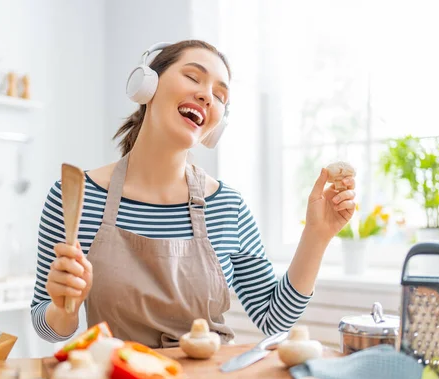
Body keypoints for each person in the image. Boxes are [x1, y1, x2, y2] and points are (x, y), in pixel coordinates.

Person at [31, 40, 356, 348]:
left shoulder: (229, 207)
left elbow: (274, 320)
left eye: (220, 95)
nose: (206, 96)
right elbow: (45, 325)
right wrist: (65, 309)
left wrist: (316, 235)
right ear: (148, 85)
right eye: (192, 77)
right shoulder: (74, 196)